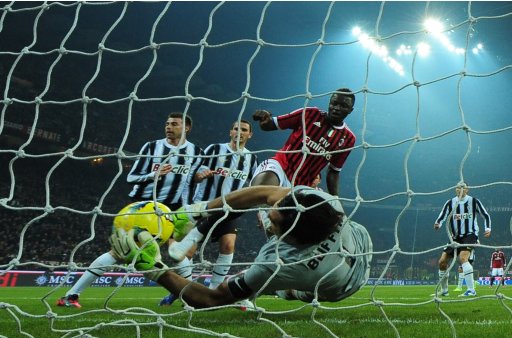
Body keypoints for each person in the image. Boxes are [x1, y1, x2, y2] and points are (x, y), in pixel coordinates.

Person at [109, 185, 373, 309]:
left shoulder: (276, 264)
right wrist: (197, 212)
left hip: (341, 287)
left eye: (274, 222)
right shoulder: (317, 203)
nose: (268, 214)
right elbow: (263, 193)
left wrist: (156, 270)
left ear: (292, 239)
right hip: (362, 243)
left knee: (289, 292)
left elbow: (212, 298)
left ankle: (277, 293)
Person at [57, 112, 204, 308]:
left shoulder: (197, 151)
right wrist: (154, 174)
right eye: (167, 123)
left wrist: (194, 191)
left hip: (172, 209)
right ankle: (71, 295)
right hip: (144, 207)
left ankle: (188, 299)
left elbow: (190, 182)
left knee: (178, 252)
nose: (169, 127)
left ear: (186, 128)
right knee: (118, 252)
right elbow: (131, 177)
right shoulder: (152, 147)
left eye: (175, 124)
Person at [159, 120, 258, 306]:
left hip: (228, 211)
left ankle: (214, 289)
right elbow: (195, 174)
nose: (239, 132)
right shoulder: (214, 149)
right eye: (236, 128)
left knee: (228, 245)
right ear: (230, 131)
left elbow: (254, 185)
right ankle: (185, 290)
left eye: (244, 130)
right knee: (187, 253)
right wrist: (199, 176)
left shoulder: (251, 158)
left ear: (249, 135)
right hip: (204, 207)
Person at [250, 88, 355, 233]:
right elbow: (269, 125)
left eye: (343, 106)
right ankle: (262, 212)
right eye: (334, 103)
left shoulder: (348, 139)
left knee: (287, 230)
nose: (337, 108)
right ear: (330, 102)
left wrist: (335, 199)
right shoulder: (310, 114)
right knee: (259, 191)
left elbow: (334, 171)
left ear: (351, 110)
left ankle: (268, 221)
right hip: (281, 165)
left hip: (301, 186)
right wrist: (264, 118)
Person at [433, 182, 491, 297]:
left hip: (470, 234)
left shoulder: (474, 201)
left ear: (467, 189)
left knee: (463, 258)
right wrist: (438, 223)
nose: (460, 189)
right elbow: (442, 215)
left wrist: (488, 228)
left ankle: (471, 290)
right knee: (442, 262)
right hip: (455, 237)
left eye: (463, 187)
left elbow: (486, 215)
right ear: (455, 190)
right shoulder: (450, 203)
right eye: (458, 187)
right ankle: (444, 290)